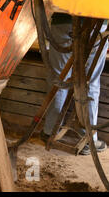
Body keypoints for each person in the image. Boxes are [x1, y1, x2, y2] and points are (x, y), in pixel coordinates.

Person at [40, 13, 108, 155]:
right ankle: (89, 139)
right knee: (89, 82)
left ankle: (50, 131)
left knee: (60, 79)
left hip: (64, 20)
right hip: (98, 24)